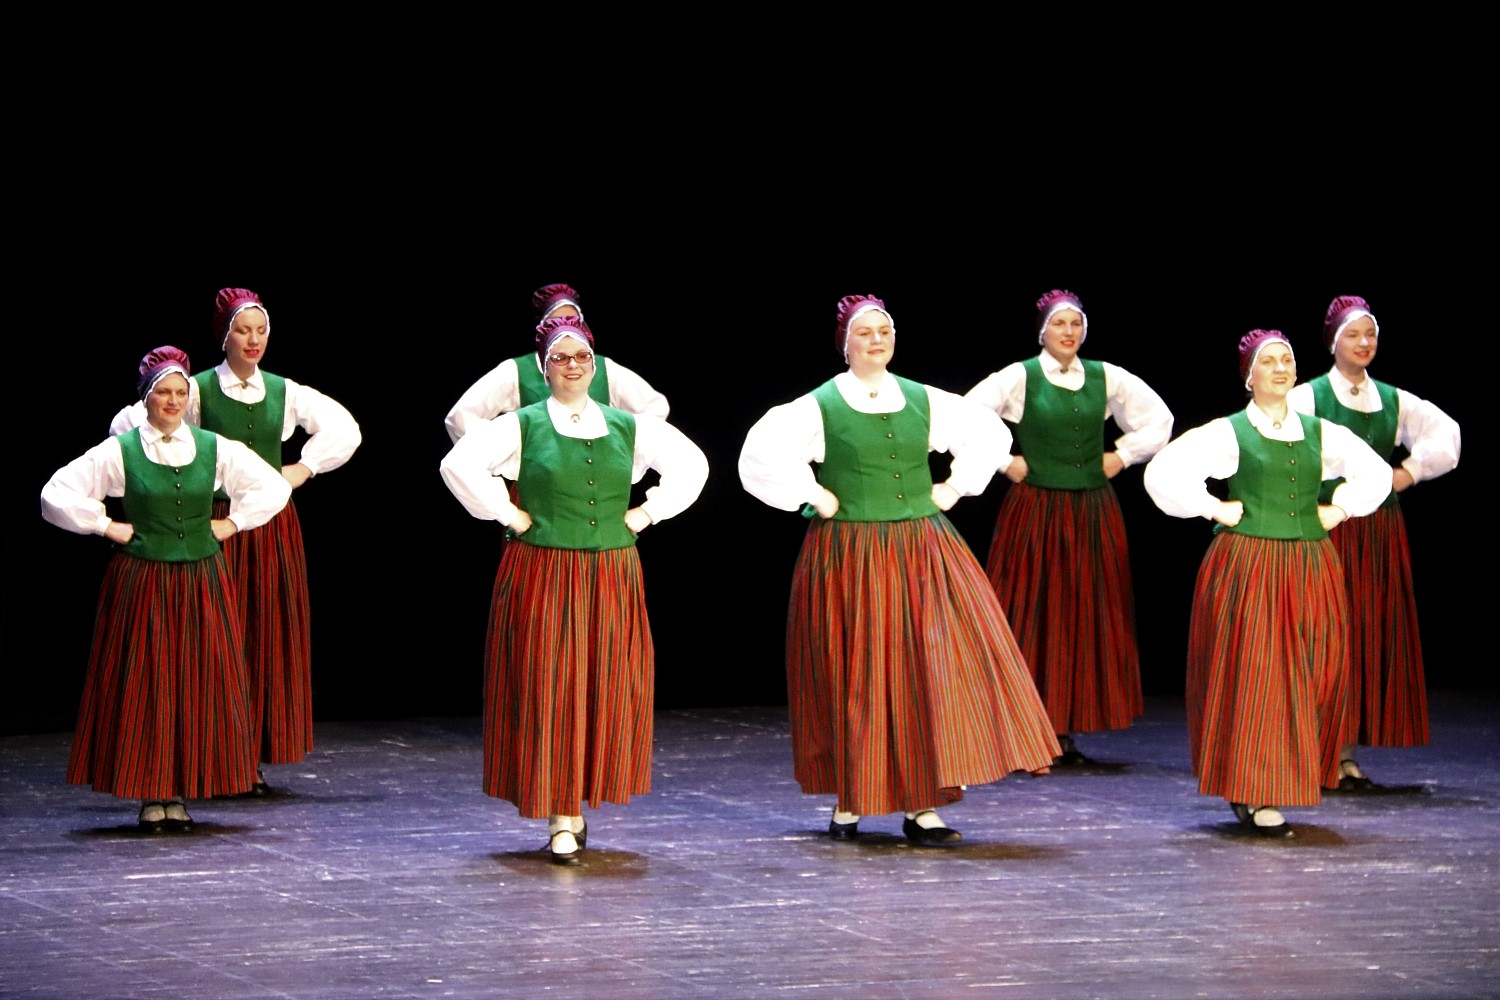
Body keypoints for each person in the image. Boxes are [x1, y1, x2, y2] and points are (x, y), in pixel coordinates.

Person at [739, 294, 1059, 846]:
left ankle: (923, 804)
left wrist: (954, 488)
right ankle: (851, 798)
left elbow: (988, 435)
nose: (877, 340)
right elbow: (760, 458)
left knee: (927, 671)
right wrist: (813, 495)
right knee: (855, 671)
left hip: (920, 548)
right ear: (845, 344)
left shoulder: (922, 398)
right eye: (865, 333)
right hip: (851, 553)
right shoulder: (818, 406)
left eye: (884, 331)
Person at [440, 315, 708, 863]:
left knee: (603, 685)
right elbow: (458, 463)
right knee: (549, 686)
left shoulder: (627, 425)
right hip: (543, 570)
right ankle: (562, 812)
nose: (572, 366)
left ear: (594, 365)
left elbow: (693, 465)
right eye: (560, 358)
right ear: (544, 368)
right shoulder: (522, 424)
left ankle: (581, 800)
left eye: (581, 357)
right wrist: (507, 513)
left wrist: (647, 513)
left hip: (611, 571)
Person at [110, 288, 362, 794]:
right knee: (216, 638)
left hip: (267, 526)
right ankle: (208, 752)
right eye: (243, 330)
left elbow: (345, 429)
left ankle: (250, 756)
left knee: (263, 634)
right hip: (211, 523)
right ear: (224, 335)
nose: (253, 340)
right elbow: (131, 425)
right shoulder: (196, 390)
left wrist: (302, 468)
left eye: (261, 330)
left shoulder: (283, 391)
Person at [1143, 330, 1390, 836]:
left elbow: (1376, 473)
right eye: (1269, 361)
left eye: (1287, 360)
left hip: (1311, 565)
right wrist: (1213, 507)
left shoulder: (1320, 432)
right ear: (1249, 376)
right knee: (1258, 678)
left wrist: (1340, 508)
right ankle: (1256, 790)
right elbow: (1163, 473)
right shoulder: (1230, 432)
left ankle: (1287, 773)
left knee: (1318, 671)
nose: (1280, 368)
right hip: (1251, 566)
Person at [43, 346, 292, 830]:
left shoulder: (212, 446)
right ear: (147, 398)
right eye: (164, 393)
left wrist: (234, 522)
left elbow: (273, 487)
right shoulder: (122, 449)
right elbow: (56, 494)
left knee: (196, 683)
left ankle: (179, 790)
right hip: (144, 580)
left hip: (201, 580)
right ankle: (151, 791)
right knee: (148, 683)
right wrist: (106, 525)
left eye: (181, 393)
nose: (174, 401)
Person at [965, 290, 1172, 764]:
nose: (1069, 332)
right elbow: (965, 417)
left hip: (1091, 510)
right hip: (1037, 509)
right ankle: (1021, 730)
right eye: (1059, 324)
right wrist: (1004, 460)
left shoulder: (1105, 376)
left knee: (1082, 615)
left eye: (1076, 324)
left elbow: (1158, 420)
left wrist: (1122, 456)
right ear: (1043, 331)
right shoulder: (1021, 376)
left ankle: (1062, 730)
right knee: (1032, 612)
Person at [1288, 295, 1461, 789]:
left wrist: (1408, 472)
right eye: (1353, 335)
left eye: (1370, 335)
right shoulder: (1307, 397)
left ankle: (1344, 754)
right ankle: (1312, 752)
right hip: (1326, 529)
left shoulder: (1391, 399)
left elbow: (1446, 435)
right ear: (1333, 342)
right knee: (1322, 639)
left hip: (1377, 532)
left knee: (1363, 635)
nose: (1364, 343)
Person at [444, 283, 668, 444]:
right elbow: (461, 417)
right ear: (543, 328)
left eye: (573, 321)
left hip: (600, 483)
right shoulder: (516, 370)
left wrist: (622, 445)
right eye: (556, 322)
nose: (565, 327)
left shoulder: (604, 368)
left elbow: (654, 408)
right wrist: (507, 451)